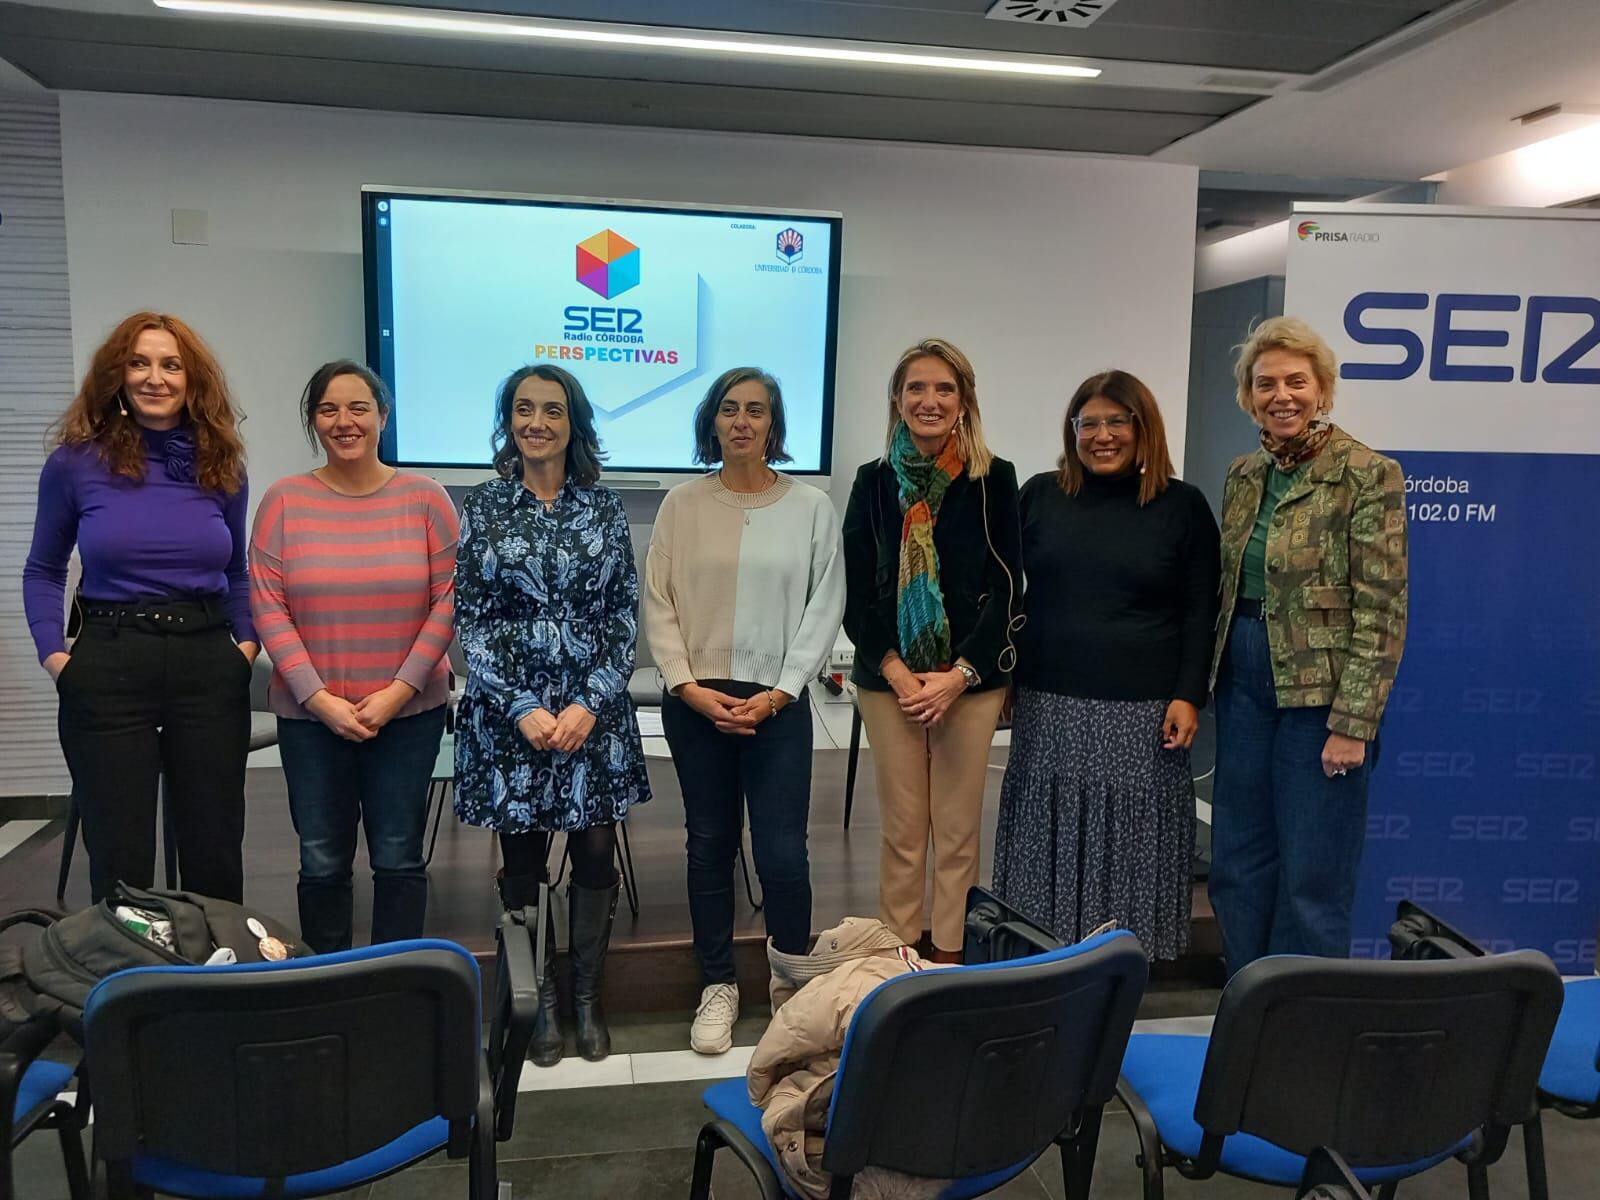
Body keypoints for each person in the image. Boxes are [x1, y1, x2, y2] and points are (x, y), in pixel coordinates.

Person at [645, 367, 845, 1055]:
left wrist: (782, 691)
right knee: (709, 845)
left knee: (783, 853)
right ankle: (718, 985)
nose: (741, 421)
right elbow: (659, 601)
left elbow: (825, 604)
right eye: (729, 408)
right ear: (712, 420)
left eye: (756, 410)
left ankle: (791, 987)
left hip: (777, 705)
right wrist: (686, 686)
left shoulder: (811, 506)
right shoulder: (680, 504)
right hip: (696, 703)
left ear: (773, 425)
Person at [453, 364, 649, 1064]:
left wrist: (591, 703)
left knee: (595, 850)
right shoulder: (483, 505)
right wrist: (521, 706)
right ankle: (533, 999)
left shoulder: (603, 507)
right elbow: (471, 617)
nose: (536, 422)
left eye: (553, 410)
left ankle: (586, 996)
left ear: (575, 424)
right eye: (524, 409)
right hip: (514, 721)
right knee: (524, 857)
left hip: (593, 715)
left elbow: (623, 612)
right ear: (509, 421)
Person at [24, 312, 255, 903]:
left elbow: (237, 571)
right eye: (139, 363)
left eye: (171, 365)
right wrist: (55, 657)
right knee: (120, 857)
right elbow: (44, 569)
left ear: (191, 379)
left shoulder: (221, 463)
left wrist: (246, 648)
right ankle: (131, 964)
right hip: (110, 663)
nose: (156, 377)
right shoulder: (76, 463)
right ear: (117, 376)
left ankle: (213, 959)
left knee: (214, 849)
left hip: (207, 664)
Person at [992, 370, 1219, 960]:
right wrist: (1004, 675)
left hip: (1144, 712)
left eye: (1118, 421)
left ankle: (1119, 971)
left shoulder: (1184, 507)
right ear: (1072, 432)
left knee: (1130, 843)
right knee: (1048, 833)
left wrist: (1189, 694)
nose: (1102, 435)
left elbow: (1202, 610)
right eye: (1088, 423)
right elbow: (1006, 592)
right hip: (1048, 702)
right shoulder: (1039, 496)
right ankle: (1040, 966)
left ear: (1144, 428)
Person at [1209, 317, 1408, 975]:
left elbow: (1383, 610)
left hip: (1322, 699)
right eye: (1266, 384)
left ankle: (1304, 1015)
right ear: (1249, 395)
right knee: (1238, 861)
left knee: (1312, 873)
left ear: (1322, 389)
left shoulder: (1368, 473)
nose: (1281, 396)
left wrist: (1354, 724)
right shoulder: (1243, 474)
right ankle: (1246, 997)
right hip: (1243, 682)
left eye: (1296, 382)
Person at [249, 361, 458, 953]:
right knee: (321, 861)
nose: (345, 422)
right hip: (310, 719)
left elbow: (448, 601)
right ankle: (327, 983)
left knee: (398, 857)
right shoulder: (284, 500)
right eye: (328, 410)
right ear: (314, 421)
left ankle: (396, 983)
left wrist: (398, 692)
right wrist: (319, 701)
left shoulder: (426, 498)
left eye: (359, 408)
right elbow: (268, 607)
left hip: (408, 716)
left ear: (383, 417)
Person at [841, 338, 1021, 964]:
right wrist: (897, 671)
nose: (930, 400)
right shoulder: (872, 482)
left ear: (964, 401)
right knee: (902, 832)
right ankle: (896, 961)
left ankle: (948, 959)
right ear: (897, 399)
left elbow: (1007, 587)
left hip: (968, 681)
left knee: (957, 831)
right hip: (887, 679)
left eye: (945, 388)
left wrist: (959, 674)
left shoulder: (994, 479)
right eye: (916, 387)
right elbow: (857, 592)